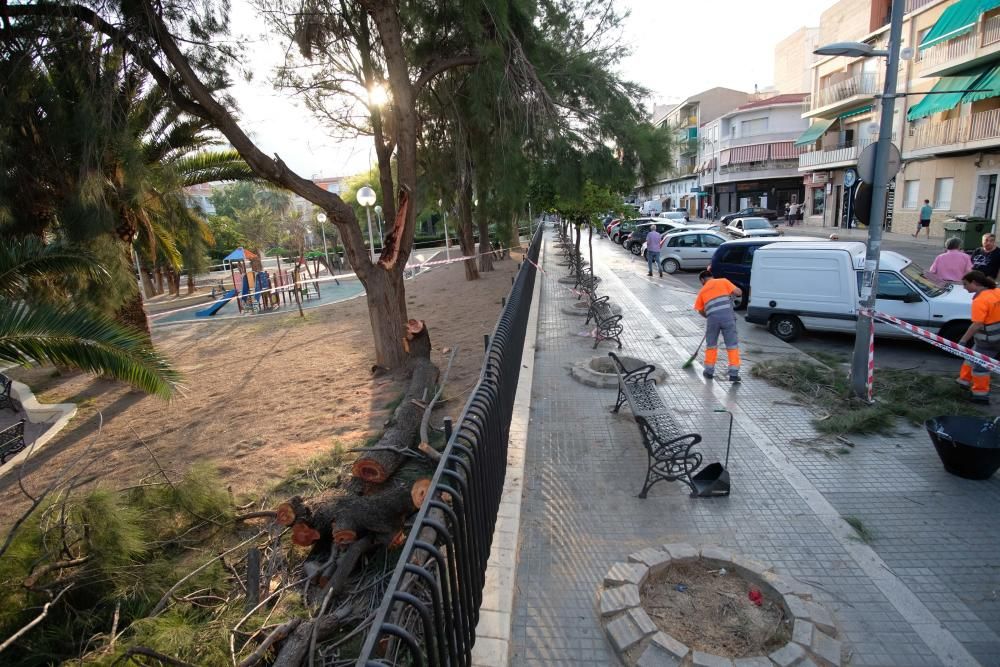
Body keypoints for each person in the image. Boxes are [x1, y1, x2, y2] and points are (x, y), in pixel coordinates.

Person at [956, 270, 1000, 404]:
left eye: (965, 284)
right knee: (972, 356)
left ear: (974, 283)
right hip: (996, 337)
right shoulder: (996, 292)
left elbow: (977, 324)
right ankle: (963, 380)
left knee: (980, 368)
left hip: (989, 340)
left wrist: (963, 340)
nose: (964, 287)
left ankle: (980, 395)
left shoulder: (980, 300)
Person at [693, 270, 743, 381]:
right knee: (732, 345)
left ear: (702, 280)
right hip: (728, 318)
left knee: (711, 345)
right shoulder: (723, 281)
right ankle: (734, 374)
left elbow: (700, 310)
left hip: (713, 320)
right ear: (712, 276)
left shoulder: (702, 291)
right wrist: (732, 293)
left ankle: (709, 371)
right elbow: (739, 293)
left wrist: (709, 316)